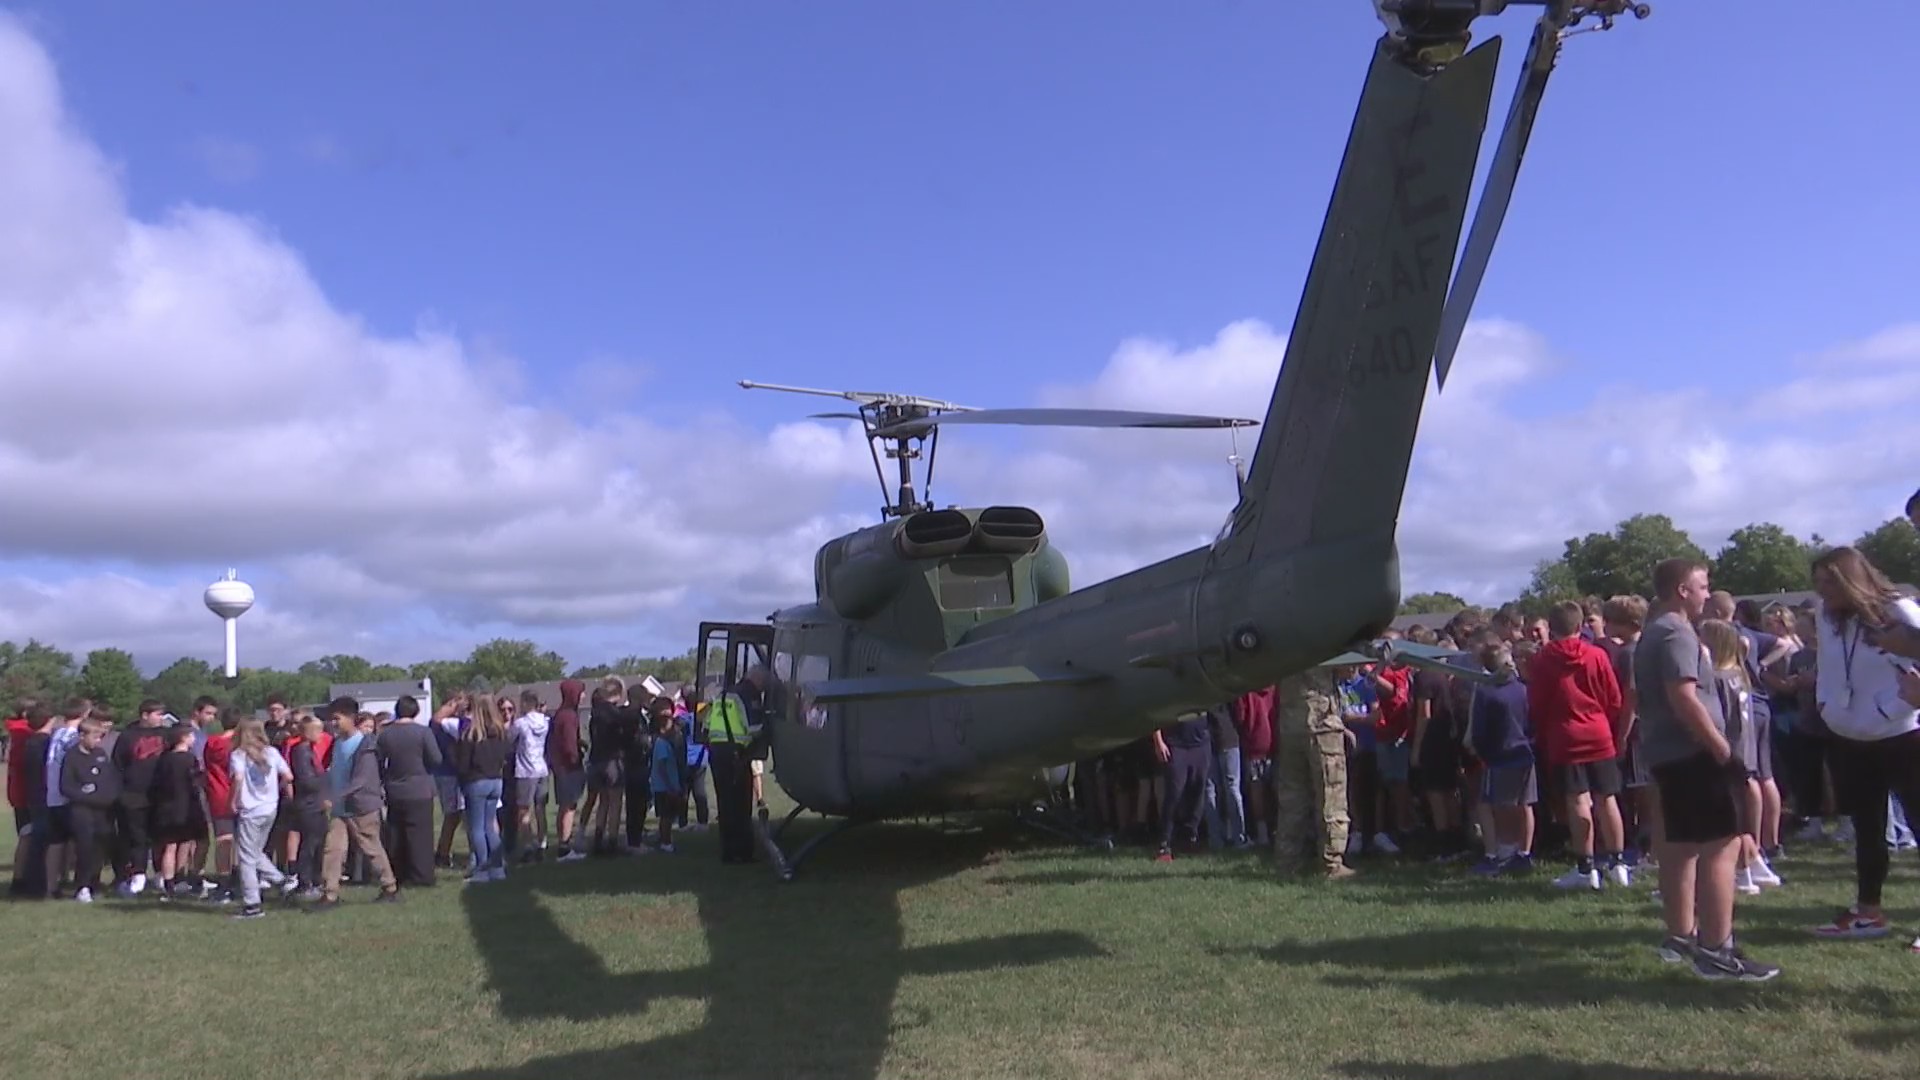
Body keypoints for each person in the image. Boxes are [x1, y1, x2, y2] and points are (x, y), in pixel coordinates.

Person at [1634, 557, 1777, 981]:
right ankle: (1718, 950)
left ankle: (1682, 936)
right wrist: (1721, 749)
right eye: (1701, 586)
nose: (1706, 594)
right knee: (1722, 844)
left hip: (1670, 754)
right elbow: (1683, 697)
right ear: (1682, 589)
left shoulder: (1654, 632)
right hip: (1693, 754)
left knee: (1681, 848)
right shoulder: (1676, 632)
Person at [1807, 546, 1920, 947]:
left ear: (1850, 578)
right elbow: (1827, 664)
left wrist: (1897, 706)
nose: (1823, 592)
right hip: (1850, 736)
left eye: (1829, 582)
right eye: (1818, 583)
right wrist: (1826, 705)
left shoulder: (1899, 610)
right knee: (1868, 829)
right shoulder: (1826, 616)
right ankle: (1868, 911)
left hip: (1904, 735)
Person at [1528, 600, 1627, 890]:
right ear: (1579, 624)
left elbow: (1537, 703)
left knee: (1578, 800)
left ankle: (1586, 868)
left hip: (1564, 734)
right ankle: (1618, 863)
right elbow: (1614, 698)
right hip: (1598, 731)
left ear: (1553, 625)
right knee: (1607, 798)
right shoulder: (1597, 655)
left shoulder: (1543, 659)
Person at [312, 697, 400, 911]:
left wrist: (336, 796)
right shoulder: (337, 743)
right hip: (340, 808)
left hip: (361, 806)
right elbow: (330, 771)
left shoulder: (365, 744)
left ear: (351, 718)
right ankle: (330, 894)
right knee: (333, 850)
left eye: (336, 719)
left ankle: (390, 887)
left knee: (371, 848)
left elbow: (361, 779)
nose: (332, 723)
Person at [1271, 667, 1355, 880]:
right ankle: (1331, 863)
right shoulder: (1323, 636)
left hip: (1290, 720)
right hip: (1320, 719)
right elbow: (1348, 671)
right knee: (1331, 791)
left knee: (1292, 796)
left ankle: (1288, 861)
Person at [228, 718, 293, 920]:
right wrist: (276, 791)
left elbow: (238, 778)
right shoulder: (272, 752)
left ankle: (252, 904)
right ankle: (281, 880)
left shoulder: (238, 755)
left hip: (250, 810)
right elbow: (288, 776)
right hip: (269, 808)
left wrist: (233, 800)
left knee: (246, 858)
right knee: (255, 852)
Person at [376, 694, 442, 887]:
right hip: (420, 788)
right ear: (416, 711)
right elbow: (436, 759)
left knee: (397, 833)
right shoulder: (423, 733)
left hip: (395, 789)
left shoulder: (385, 734)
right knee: (420, 834)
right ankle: (422, 875)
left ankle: (400, 872)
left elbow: (378, 761)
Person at [60, 715, 121, 904]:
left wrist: (110, 797)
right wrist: (87, 796)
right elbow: (66, 787)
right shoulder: (72, 757)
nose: (98, 741)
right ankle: (82, 886)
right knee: (84, 848)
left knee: (100, 848)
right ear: (81, 736)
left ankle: (95, 882)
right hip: (82, 811)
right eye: (95, 736)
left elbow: (110, 780)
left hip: (104, 811)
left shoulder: (101, 754)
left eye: (100, 737)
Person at [704, 673, 764, 865]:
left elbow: (706, 725)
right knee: (740, 804)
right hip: (735, 754)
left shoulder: (721, 696)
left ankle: (728, 852)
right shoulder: (745, 695)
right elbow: (753, 728)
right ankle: (743, 852)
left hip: (717, 753)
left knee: (724, 802)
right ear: (758, 681)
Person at [454, 695, 513, 883]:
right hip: (496, 781)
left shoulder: (471, 734)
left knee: (477, 828)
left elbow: (463, 764)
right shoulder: (501, 733)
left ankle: (481, 870)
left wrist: (462, 782)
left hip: (476, 781)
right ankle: (497, 868)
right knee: (490, 827)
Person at [149, 724, 206, 901]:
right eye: (191, 736)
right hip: (188, 807)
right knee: (198, 841)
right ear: (183, 737)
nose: (193, 739)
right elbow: (195, 782)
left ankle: (169, 884)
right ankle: (192, 878)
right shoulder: (189, 759)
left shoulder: (164, 759)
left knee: (170, 846)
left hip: (167, 807)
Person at [1153, 710, 1212, 861]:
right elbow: (1154, 713)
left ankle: (1189, 837)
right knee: (1174, 793)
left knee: (1198, 790)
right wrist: (1158, 741)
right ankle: (1164, 844)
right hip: (1176, 743)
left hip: (1201, 743)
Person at [549, 679, 589, 861]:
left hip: (560, 766)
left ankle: (563, 844)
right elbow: (568, 744)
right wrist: (576, 757)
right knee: (569, 807)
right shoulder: (568, 716)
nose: (583, 696)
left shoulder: (562, 714)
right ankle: (564, 848)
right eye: (581, 693)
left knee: (566, 806)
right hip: (568, 767)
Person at [649, 697, 687, 854]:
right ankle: (665, 842)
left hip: (669, 784)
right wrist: (671, 786)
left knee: (669, 815)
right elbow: (663, 766)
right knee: (666, 816)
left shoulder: (671, 738)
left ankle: (666, 838)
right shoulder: (661, 743)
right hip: (665, 786)